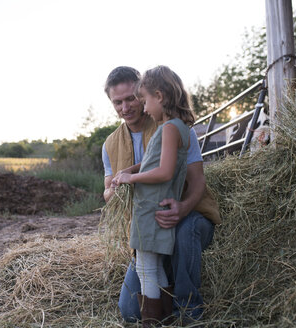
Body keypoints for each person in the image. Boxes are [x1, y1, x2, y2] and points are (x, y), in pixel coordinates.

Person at [102, 66, 221, 324]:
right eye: (117, 102)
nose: (127, 107)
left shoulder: (173, 129)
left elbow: (197, 181)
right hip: (148, 222)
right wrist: (117, 188)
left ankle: (188, 311)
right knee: (130, 311)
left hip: (183, 216)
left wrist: (184, 207)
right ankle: (162, 317)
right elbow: (108, 192)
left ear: (145, 94)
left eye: (132, 98)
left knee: (184, 230)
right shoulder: (109, 144)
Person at [112, 65, 195, 326]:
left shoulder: (168, 128)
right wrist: (129, 169)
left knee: (146, 269)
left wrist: (131, 178)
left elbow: (164, 171)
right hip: (153, 208)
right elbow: (153, 162)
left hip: (151, 209)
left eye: (144, 100)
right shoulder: (176, 127)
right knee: (153, 267)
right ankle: (165, 318)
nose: (144, 108)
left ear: (159, 96)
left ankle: (152, 321)